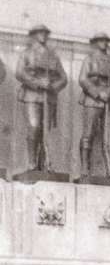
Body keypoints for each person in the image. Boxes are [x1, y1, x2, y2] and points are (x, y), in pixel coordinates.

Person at [16, 24, 67, 171]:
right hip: (32, 95)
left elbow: (63, 78)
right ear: (34, 35)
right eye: (40, 33)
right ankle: (31, 163)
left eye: (45, 33)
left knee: (46, 130)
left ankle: (44, 163)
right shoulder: (26, 53)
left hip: (49, 96)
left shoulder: (53, 56)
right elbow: (19, 73)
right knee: (34, 127)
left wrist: (52, 86)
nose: (43, 35)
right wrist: (37, 83)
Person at [78, 32, 110, 177]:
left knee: (109, 137)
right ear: (95, 42)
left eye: (106, 41)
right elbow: (83, 79)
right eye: (101, 41)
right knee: (88, 134)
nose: (104, 43)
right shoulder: (89, 59)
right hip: (93, 100)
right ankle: (85, 169)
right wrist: (98, 93)